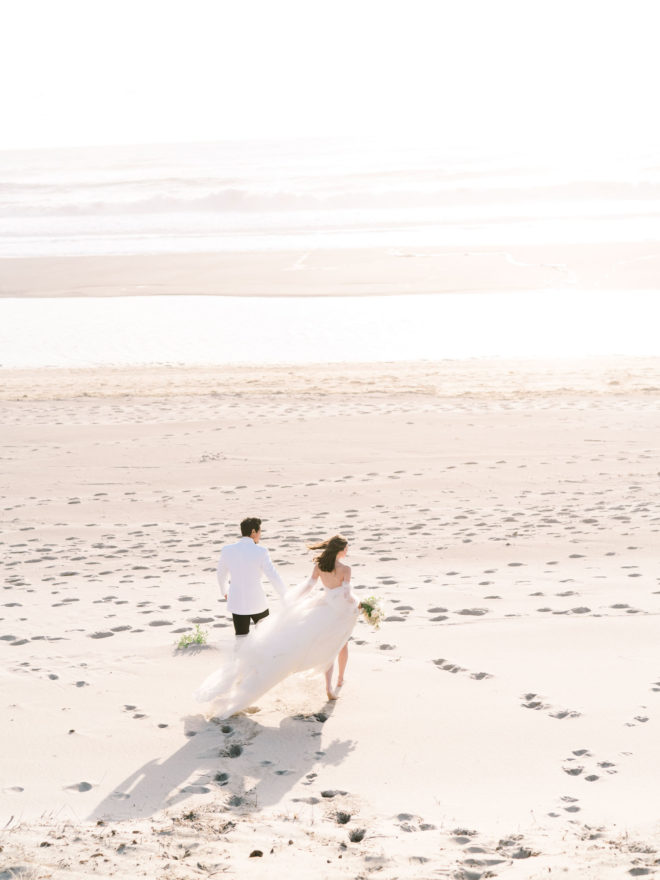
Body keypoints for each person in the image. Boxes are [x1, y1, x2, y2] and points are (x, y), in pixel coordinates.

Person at [194, 534, 359, 718]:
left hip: (320, 609)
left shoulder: (320, 566)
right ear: (341, 550)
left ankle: (330, 686)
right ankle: (335, 683)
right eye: (346, 548)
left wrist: (292, 601)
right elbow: (347, 596)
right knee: (336, 646)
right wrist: (361, 605)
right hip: (337, 613)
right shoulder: (346, 569)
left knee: (327, 647)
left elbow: (309, 586)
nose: (347, 551)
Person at [217, 517, 286, 642]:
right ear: (253, 532)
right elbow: (273, 576)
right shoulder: (261, 551)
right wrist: (285, 594)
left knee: (241, 639)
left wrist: (225, 592)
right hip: (257, 602)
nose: (260, 535)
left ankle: (242, 661)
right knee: (266, 638)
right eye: (260, 531)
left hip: (237, 601)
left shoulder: (227, 550)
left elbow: (221, 574)